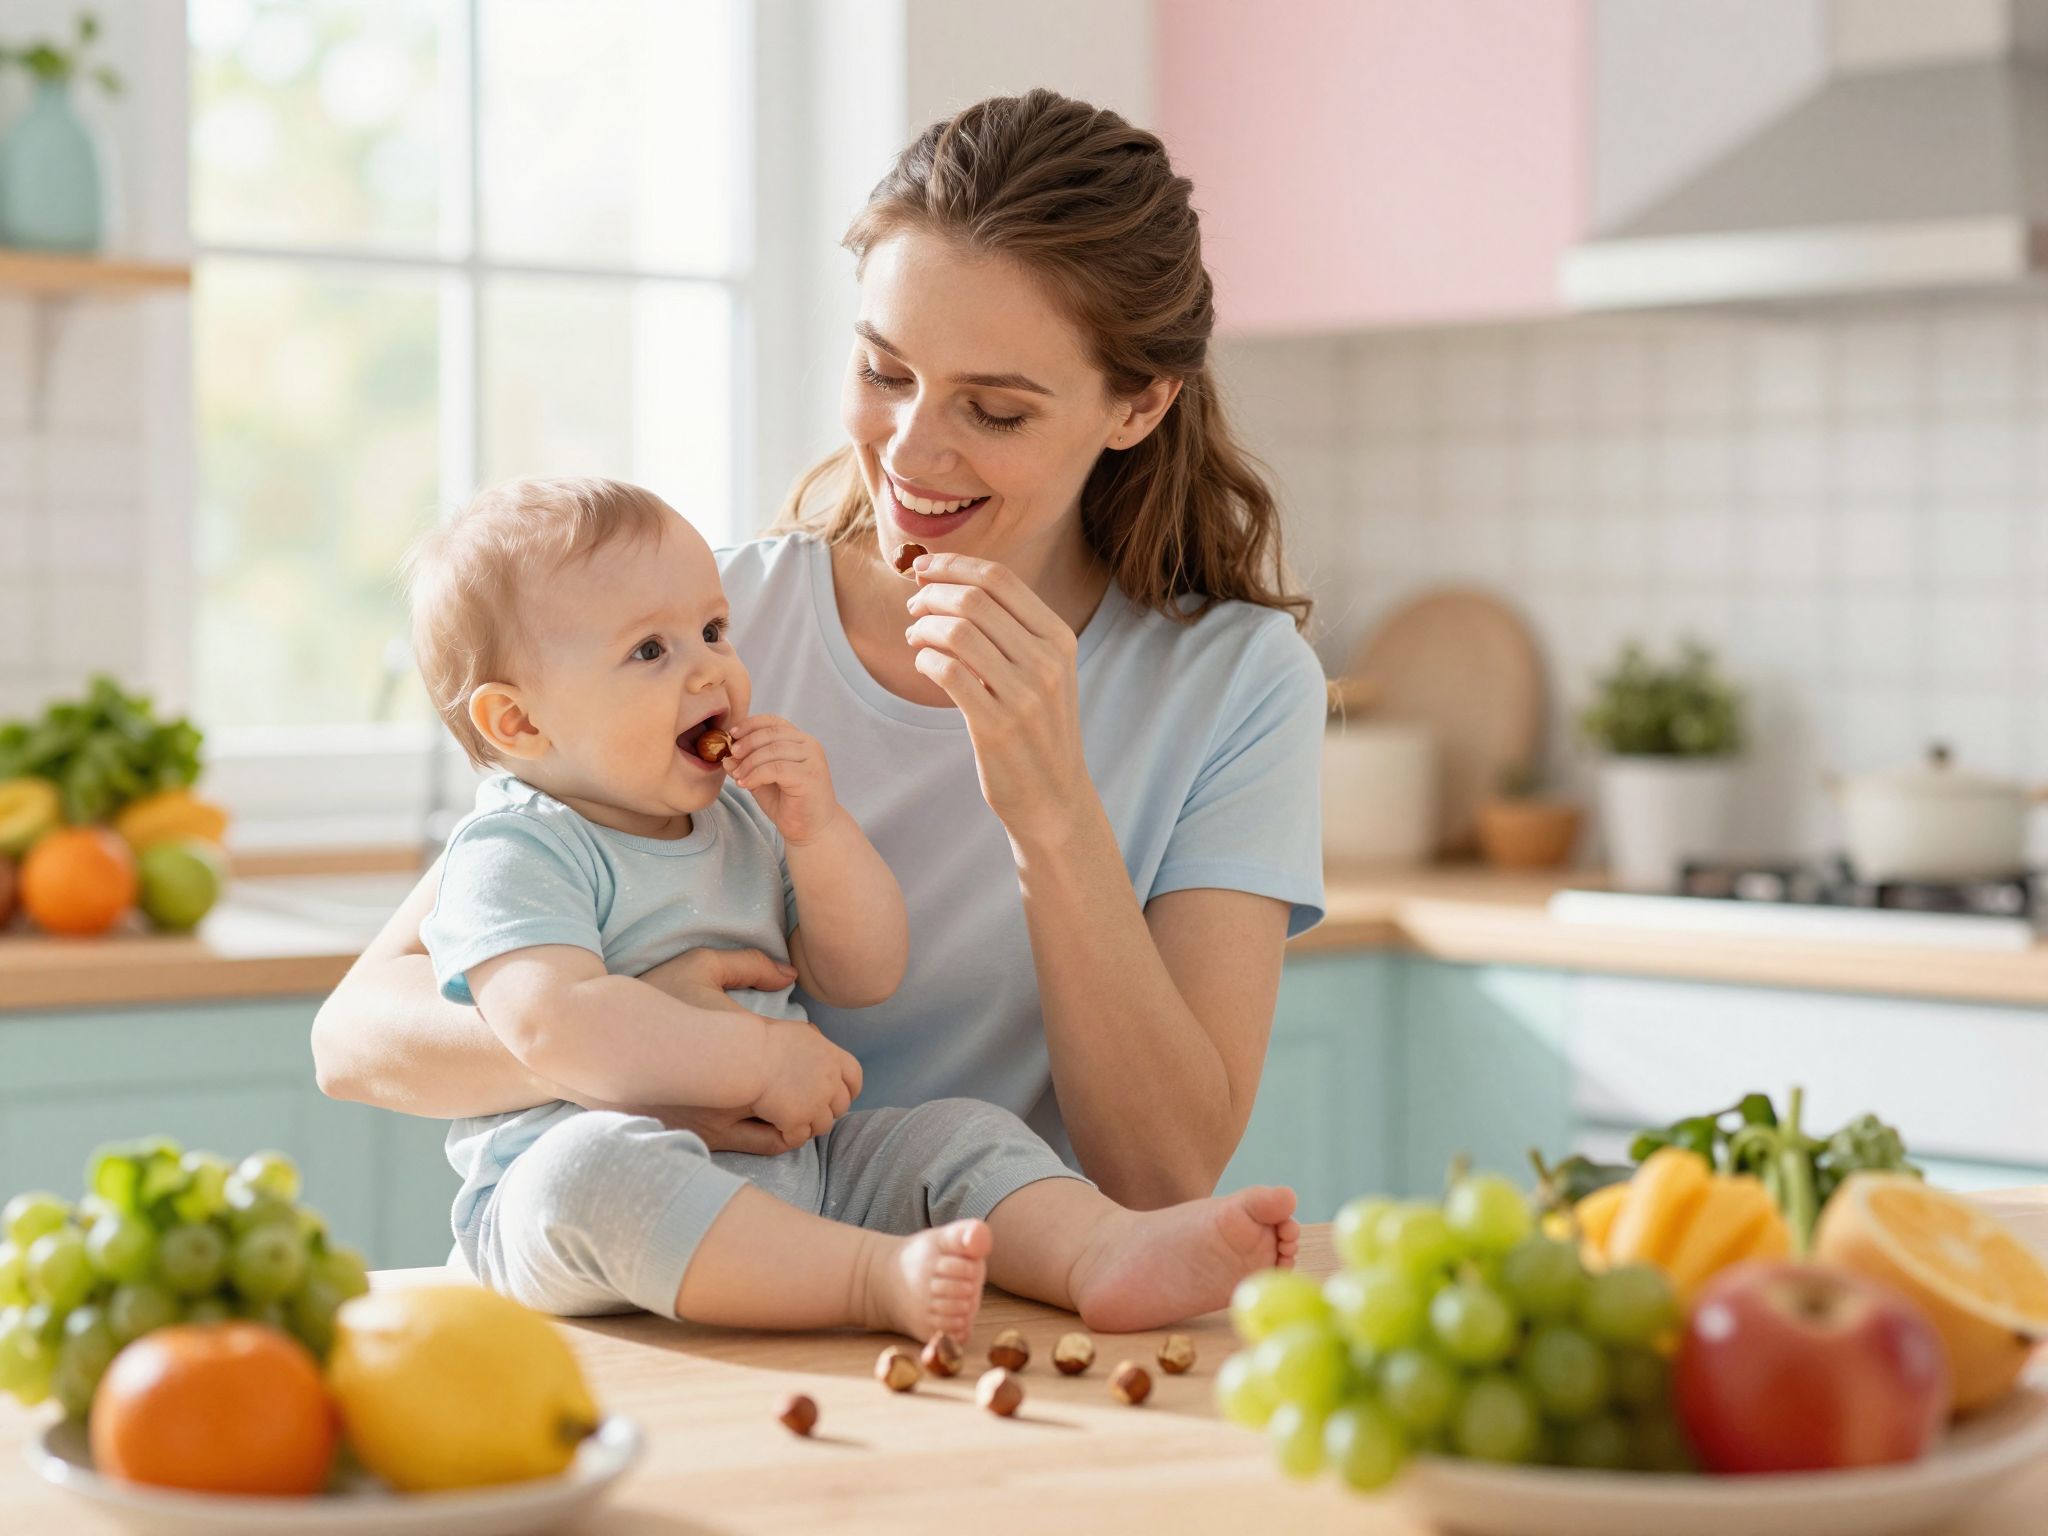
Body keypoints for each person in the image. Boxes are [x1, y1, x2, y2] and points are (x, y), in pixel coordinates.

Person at [313, 88, 1326, 1236]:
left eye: (993, 410)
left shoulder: (1235, 683)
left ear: (1136, 407)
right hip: (677, 1290)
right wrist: (660, 1045)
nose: (911, 448)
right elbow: (355, 1038)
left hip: (986, 1301)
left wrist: (1048, 802)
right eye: (886, 374)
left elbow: (1161, 1173)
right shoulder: (705, 632)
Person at [399, 474, 1297, 1336]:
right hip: (575, 1205)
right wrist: (752, 1060)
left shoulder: (732, 816)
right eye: (650, 651)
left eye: (714, 629)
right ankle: (870, 1279)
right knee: (587, 1174)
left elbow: (860, 973)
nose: (712, 672)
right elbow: (550, 1026)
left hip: (795, 1167)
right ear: (518, 724)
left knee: (960, 1134)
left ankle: (1101, 1250)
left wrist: (820, 835)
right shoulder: (515, 847)